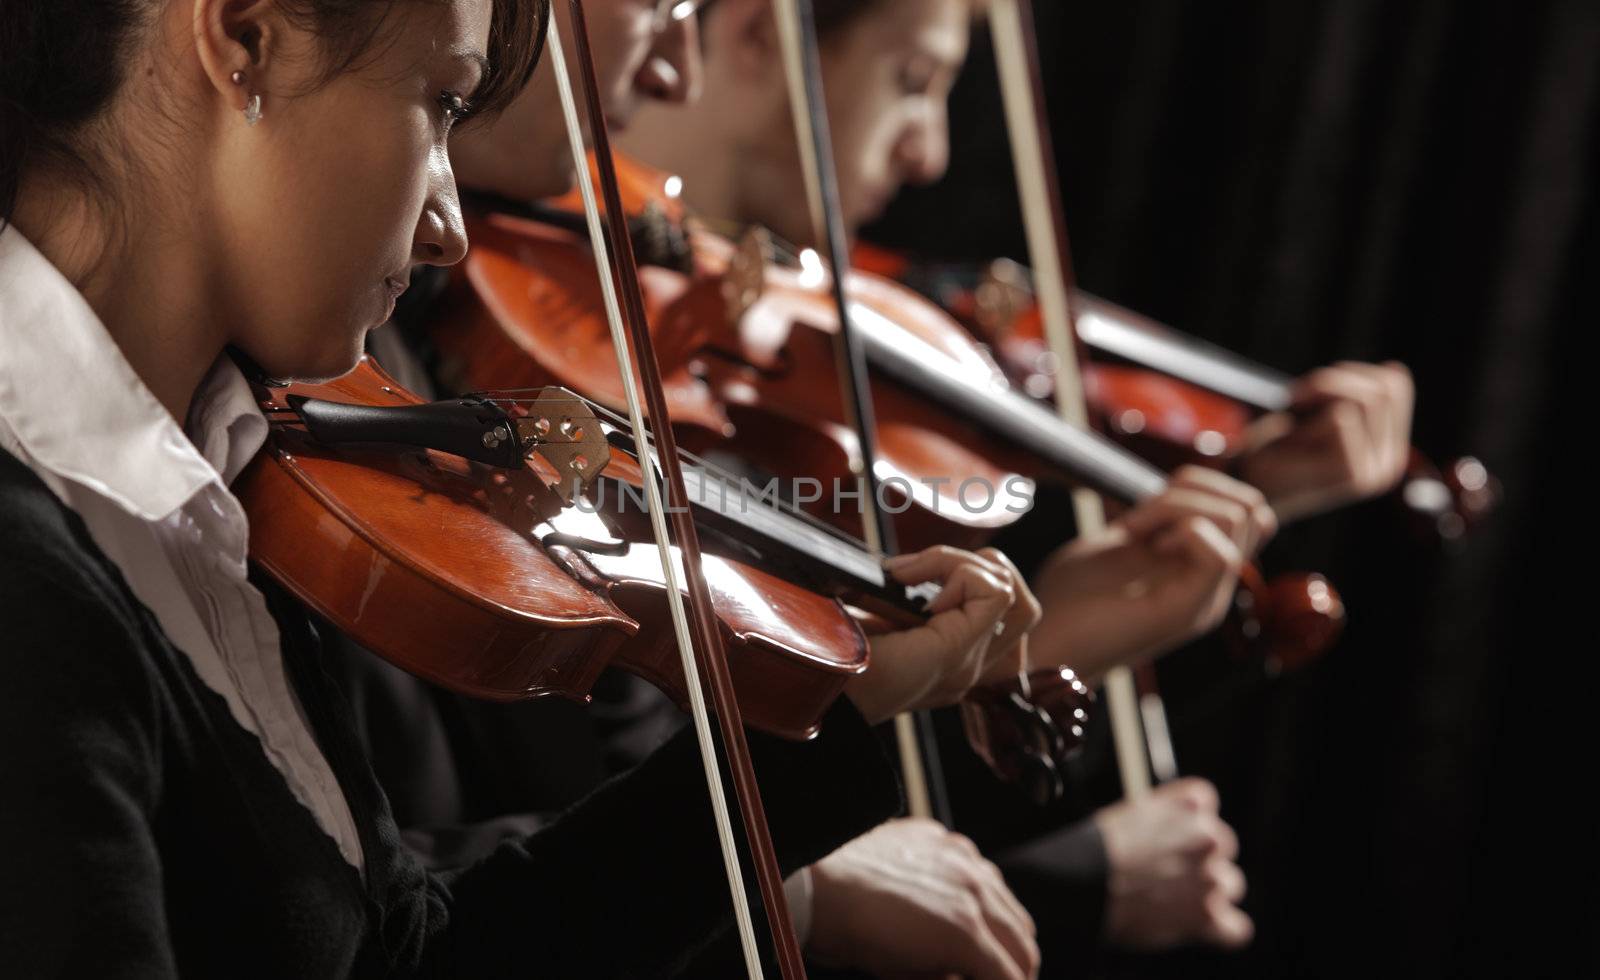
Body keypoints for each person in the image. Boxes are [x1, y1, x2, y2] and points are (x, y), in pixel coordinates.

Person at [0, 0, 1039, 976]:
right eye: (443, 103)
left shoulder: (215, 476)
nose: (451, 224)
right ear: (245, 37)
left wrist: (824, 722)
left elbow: (416, 954)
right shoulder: (34, 568)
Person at [614, 0, 1409, 963]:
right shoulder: (555, 355)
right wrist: (1061, 879)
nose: (931, 156)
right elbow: (590, 849)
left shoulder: (764, 382)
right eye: (914, 79)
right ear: (755, 31)